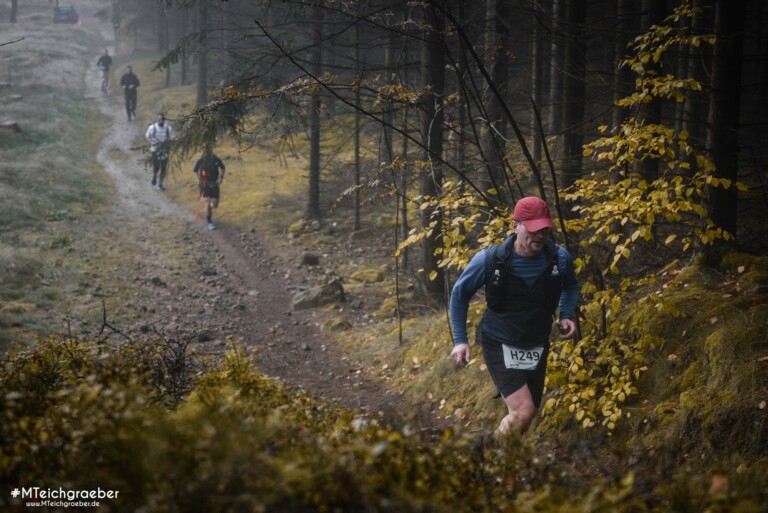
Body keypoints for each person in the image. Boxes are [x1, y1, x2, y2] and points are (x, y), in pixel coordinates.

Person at [449, 196, 579, 440]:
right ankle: (494, 460)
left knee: (526, 415)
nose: (540, 235)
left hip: (536, 342)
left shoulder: (560, 258)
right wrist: (460, 340)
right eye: (533, 229)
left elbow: (570, 286)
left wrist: (566, 313)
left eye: (544, 229)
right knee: (523, 410)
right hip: (499, 340)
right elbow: (459, 294)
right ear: (515, 226)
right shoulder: (489, 260)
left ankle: (491, 452)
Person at [193, 150, 226, 230]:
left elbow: (223, 168)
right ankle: (209, 221)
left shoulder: (216, 159)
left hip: (215, 184)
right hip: (205, 184)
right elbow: (195, 171)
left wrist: (220, 177)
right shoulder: (200, 160)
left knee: (215, 205)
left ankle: (209, 208)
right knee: (207, 201)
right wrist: (197, 179)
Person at [145, 113, 175, 190]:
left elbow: (172, 138)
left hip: (165, 150)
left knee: (163, 168)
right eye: (158, 119)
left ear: (164, 120)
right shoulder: (152, 127)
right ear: (156, 119)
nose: (159, 121)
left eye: (161, 120)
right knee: (156, 166)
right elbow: (147, 135)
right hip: (155, 149)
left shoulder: (168, 128)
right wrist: (150, 141)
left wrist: (168, 140)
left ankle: (160, 183)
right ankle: (155, 175)